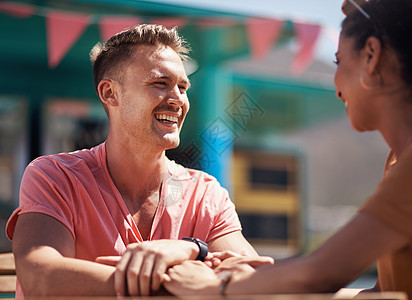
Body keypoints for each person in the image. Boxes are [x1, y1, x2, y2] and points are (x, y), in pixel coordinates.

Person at [162, 0, 412, 298]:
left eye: (339, 61)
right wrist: (263, 277)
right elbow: (384, 292)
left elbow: (322, 272)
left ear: (371, 56)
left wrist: (217, 288)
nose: (336, 84)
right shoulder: (397, 161)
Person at [5, 24, 260, 298]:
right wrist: (182, 284)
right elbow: (40, 277)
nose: (178, 99)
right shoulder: (55, 176)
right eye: (160, 83)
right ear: (109, 93)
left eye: (183, 87)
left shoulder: (205, 193)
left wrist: (192, 248)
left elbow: (254, 280)